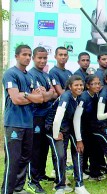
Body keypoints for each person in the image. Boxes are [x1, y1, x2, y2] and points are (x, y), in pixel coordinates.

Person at [2, 45, 44, 194]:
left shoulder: (30, 76)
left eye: (29, 55)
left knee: (25, 158)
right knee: (13, 161)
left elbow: (40, 99)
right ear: (17, 56)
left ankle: (19, 189)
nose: (27, 57)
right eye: (24, 54)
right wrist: (29, 96)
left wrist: (25, 95)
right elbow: (15, 99)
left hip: (28, 123)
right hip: (13, 123)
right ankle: (8, 191)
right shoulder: (10, 74)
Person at [27, 47, 58, 193]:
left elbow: (52, 93)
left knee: (45, 146)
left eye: (45, 58)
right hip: (36, 116)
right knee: (35, 148)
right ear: (33, 58)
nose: (42, 60)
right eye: (39, 58)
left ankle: (40, 174)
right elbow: (41, 98)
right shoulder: (31, 75)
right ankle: (32, 179)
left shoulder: (45, 75)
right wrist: (47, 94)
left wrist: (48, 94)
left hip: (47, 116)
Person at [73, 75, 106, 182]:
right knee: (82, 151)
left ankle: (93, 173)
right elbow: (77, 118)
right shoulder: (83, 97)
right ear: (87, 86)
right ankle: (80, 172)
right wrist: (79, 138)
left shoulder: (96, 95)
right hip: (81, 129)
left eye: (98, 83)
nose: (97, 86)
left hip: (91, 129)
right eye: (93, 84)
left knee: (94, 150)